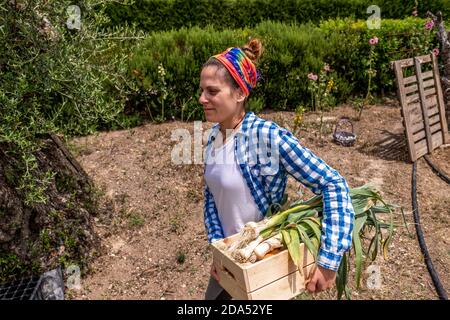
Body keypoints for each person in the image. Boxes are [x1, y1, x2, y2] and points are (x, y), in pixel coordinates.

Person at [200, 38, 355, 300]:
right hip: (231, 263)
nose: (202, 98)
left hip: (264, 268)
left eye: (212, 91)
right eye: (201, 90)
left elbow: (333, 184)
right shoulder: (213, 136)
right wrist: (218, 248)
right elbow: (211, 197)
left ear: (240, 94)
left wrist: (328, 262)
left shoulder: (267, 136)